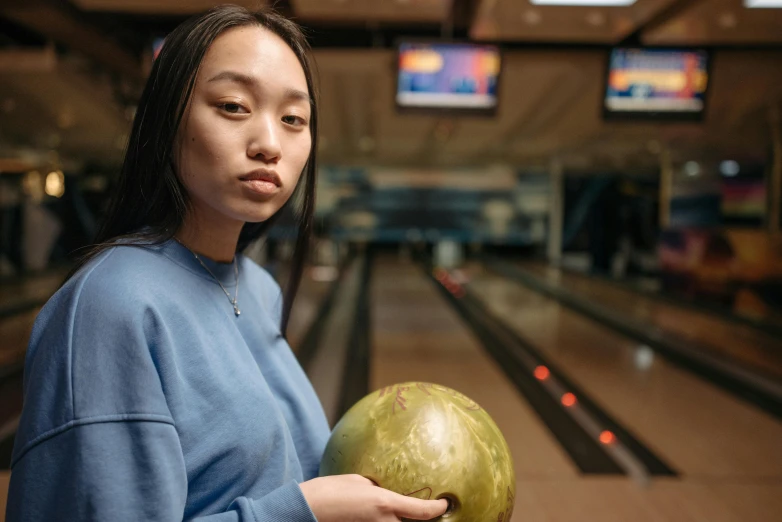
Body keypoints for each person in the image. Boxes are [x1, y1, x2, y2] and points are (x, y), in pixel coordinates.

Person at [6, 5, 448, 522]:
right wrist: (305, 512)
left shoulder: (257, 287)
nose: (269, 145)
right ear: (168, 118)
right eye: (234, 106)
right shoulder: (111, 306)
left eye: (293, 119)